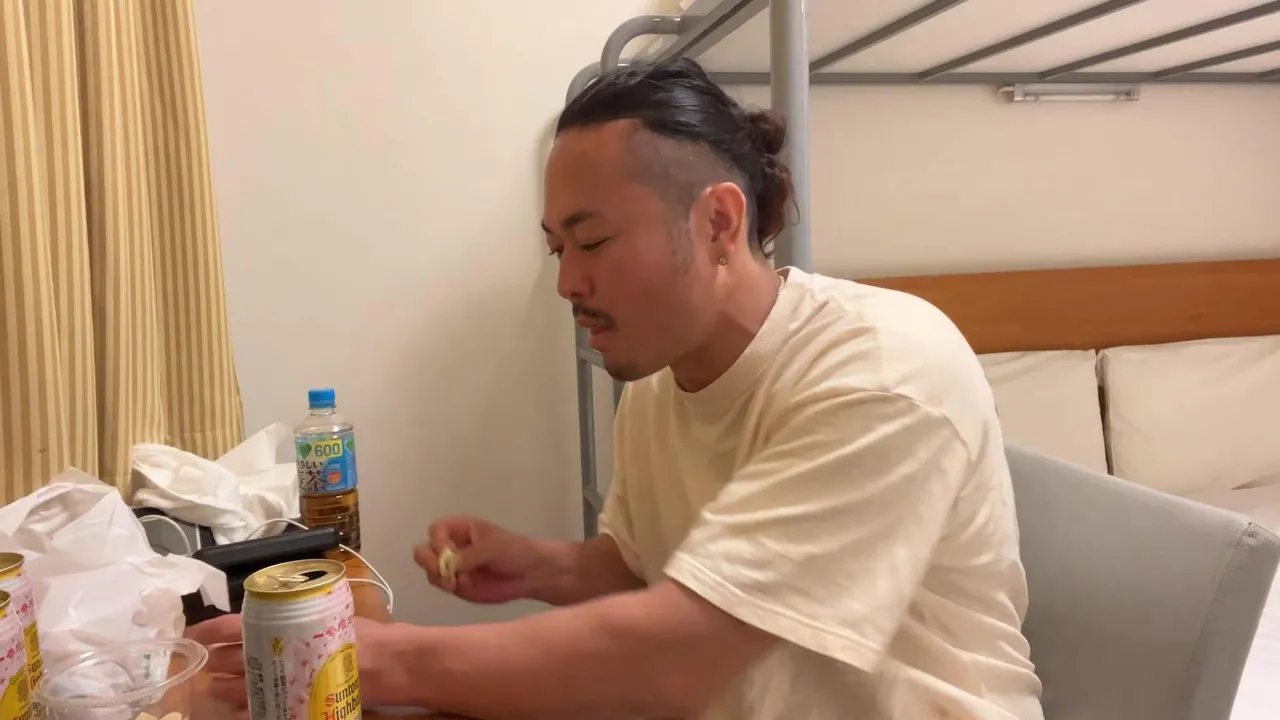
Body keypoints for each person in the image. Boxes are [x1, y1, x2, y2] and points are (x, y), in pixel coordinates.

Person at [188, 57, 1045, 720]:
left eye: (591, 243)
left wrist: (383, 657)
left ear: (718, 223)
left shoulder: (881, 372)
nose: (567, 283)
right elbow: (645, 568)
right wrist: (539, 566)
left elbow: (682, 652)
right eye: (556, 249)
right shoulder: (658, 388)